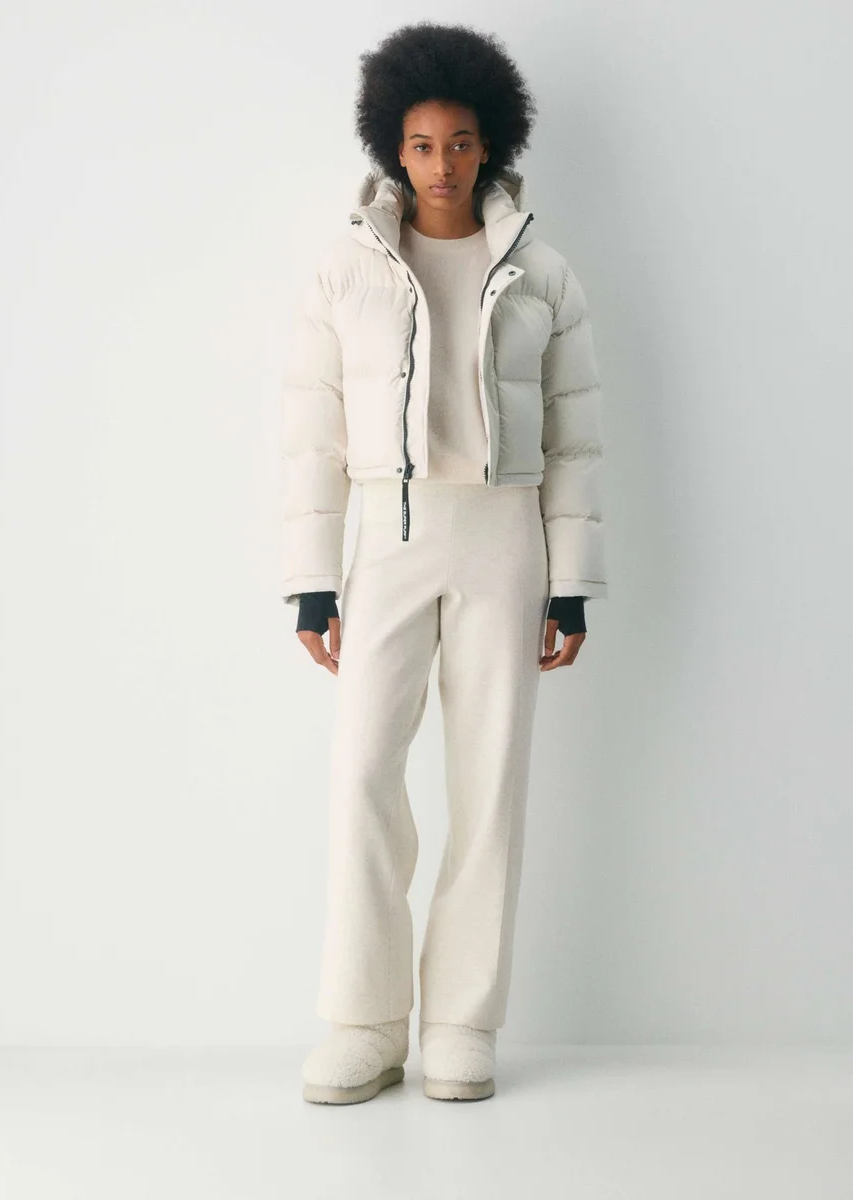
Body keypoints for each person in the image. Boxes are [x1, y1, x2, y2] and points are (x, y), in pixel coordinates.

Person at [279, 21, 607, 1104]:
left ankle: (463, 1023)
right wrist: (312, 578)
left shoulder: (544, 274)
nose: (441, 164)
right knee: (363, 775)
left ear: (490, 142)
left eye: (460, 142)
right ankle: (367, 1022)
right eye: (421, 144)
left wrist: (570, 583)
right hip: (390, 535)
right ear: (393, 146)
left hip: (504, 539)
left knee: (489, 782)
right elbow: (312, 433)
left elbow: (575, 437)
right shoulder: (347, 270)